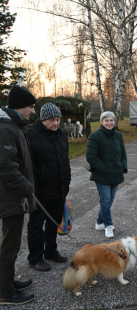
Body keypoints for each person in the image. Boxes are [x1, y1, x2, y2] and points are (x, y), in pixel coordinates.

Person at [0, 86, 37, 305]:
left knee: (11, 245)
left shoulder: (13, 126)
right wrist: (27, 188)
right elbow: (6, 168)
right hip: (10, 197)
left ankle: (7, 282)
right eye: (31, 107)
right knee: (9, 246)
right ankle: (4, 293)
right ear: (18, 106)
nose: (33, 111)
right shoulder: (6, 129)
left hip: (14, 196)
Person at [25, 103, 71, 272]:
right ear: (43, 119)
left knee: (54, 223)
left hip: (59, 188)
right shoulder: (30, 134)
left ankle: (51, 251)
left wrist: (66, 183)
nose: (56, 123)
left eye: (58, 119)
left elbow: (65, 160)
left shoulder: (60, 134)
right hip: (39, 191)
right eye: (52, 120)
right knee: (36, 226)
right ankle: (35, 258)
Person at [86, 111, 127, 239]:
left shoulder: (118, 135)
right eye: (106, 120)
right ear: (101, 122)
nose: (109, 123)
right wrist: (103, 169)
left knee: (109, 201)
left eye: (111, 120)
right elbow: (91, 156)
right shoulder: (95, 136)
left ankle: (99, 222)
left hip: (116, 173)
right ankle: (108, 226)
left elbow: (123, 154)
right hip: (102, 175)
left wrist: (123, 167)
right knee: (105, 200)